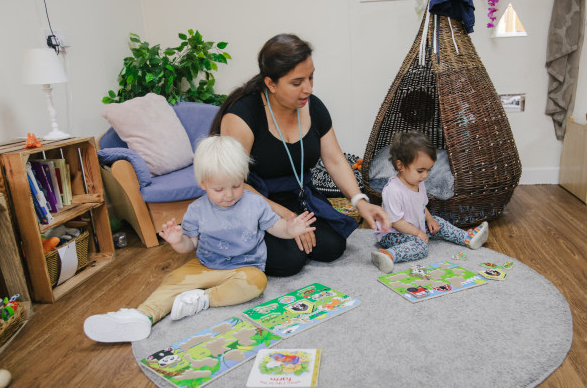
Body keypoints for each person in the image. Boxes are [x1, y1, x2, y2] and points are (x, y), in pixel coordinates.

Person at [83, 136, 316, 343]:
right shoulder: (196, 210)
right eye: (218, 189)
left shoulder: (255, 203)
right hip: (205, 265)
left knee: (257, 283)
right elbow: (189, 246)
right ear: (203, 184)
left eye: (236, 186)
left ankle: (203, 300)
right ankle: (143, 316)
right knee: (173, 279)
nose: (229, 195)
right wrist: (177, 241)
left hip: (245, 267)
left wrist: (291, 229)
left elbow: (276, 228)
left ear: (243, 178)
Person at [209, 33, 390, 277]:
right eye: (297, 83)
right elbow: (232, 183)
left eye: (311, 77)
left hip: (299, 196)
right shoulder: (242, 116)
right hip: (252, 201)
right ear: (271, 84)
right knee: (288, 261)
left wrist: (360, 202)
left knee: (332, 246)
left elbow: (335, 160)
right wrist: (287, 217)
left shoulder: (313, 106)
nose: (308, 88)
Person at [370, 131, 489, 273]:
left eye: (428, 170)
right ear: (400, 165)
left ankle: (467, 238)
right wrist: (418, 234)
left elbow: (421, 205)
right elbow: (396, 222)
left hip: (414, 227)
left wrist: (430, 219)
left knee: (438, 221)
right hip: (392, 234)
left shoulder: (418, 183)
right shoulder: (393, 191)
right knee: (421, 246)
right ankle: (388, 254)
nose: (425, 175)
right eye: (420, 171)